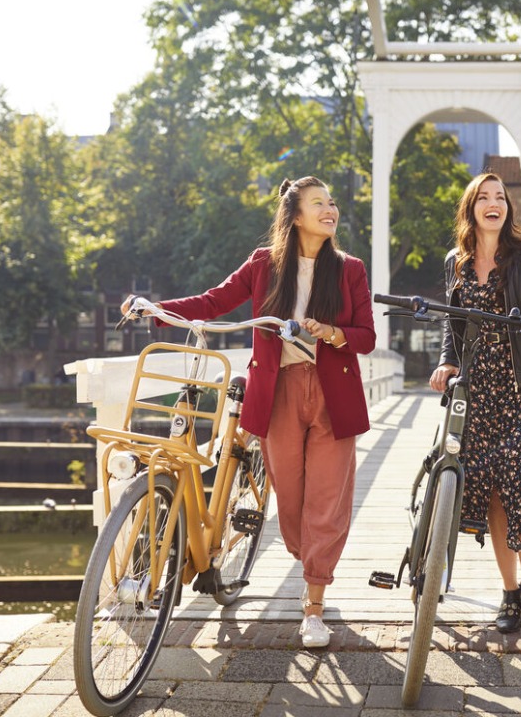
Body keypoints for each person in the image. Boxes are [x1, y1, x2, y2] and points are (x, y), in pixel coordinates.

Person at [122, 176, 375, 648]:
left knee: (327, 501)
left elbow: (366, 336)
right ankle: (310, 559)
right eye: (318, 203)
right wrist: (158, 309)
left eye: (332, 202)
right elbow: (214, 301)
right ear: (295, 215)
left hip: (332, 396)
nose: (330, 210)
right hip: (277, 393)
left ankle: (314, 606)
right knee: (293, 506)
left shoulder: (349, 269)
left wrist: (331, 333)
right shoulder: (264, 265)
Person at [429, 172, 521, 633]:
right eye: (483, 197)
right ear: (470, 208)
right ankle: (509, 594)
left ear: (508, 207)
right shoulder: (457, 262)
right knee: (490, 488)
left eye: (500, 197)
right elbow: (453, 326)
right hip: (479, 391)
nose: (494, 204)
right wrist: (448, 364)